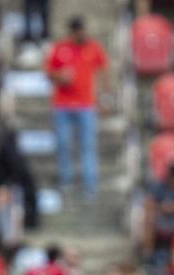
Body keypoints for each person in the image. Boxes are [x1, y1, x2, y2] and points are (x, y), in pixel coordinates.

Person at [46, 16, 107, 201]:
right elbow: (48, 72)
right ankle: (66, 182)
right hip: (62, 105)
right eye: (77, 31)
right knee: (64, 145)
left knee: (88, 146)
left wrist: (104, 99)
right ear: (71, 32)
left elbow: (103, 72)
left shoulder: (93, 48)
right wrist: (59, 77)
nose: (80, 34)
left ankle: (90, 186)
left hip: (86, 105)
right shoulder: (60, 48)